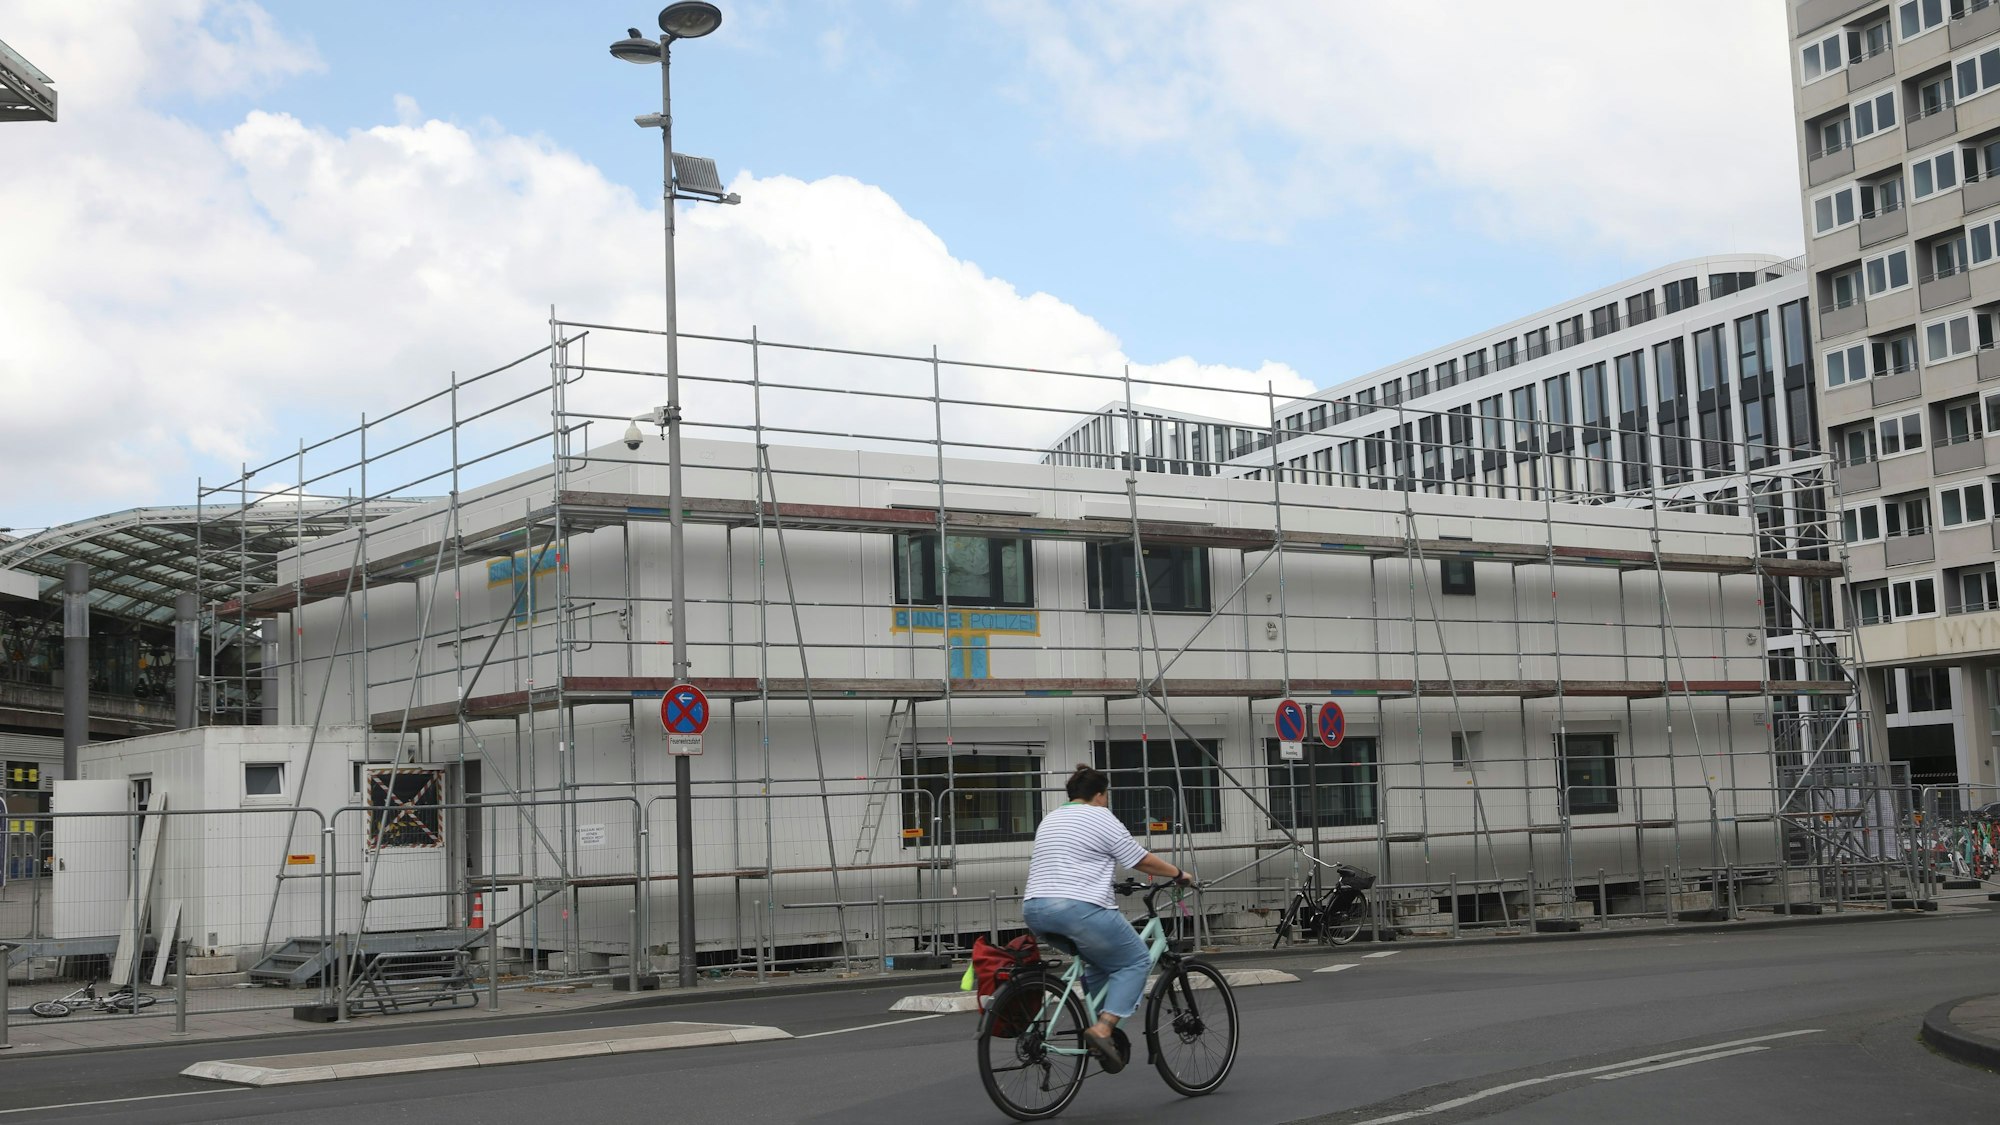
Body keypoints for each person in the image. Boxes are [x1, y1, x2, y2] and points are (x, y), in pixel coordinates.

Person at [1021, 763, 1193, 1074]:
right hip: (1075, 909)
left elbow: (1072, 860)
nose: (1107, 801)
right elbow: (1138, 859)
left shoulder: (1051, 818)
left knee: (1099, 960)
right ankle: (1103, 1029)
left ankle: (1104, 1034)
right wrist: (1179, 874)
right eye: (1107, 795)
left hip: (1035, 909)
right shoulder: (1100, 816)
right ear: (1099, 795)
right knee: (1136, 960)